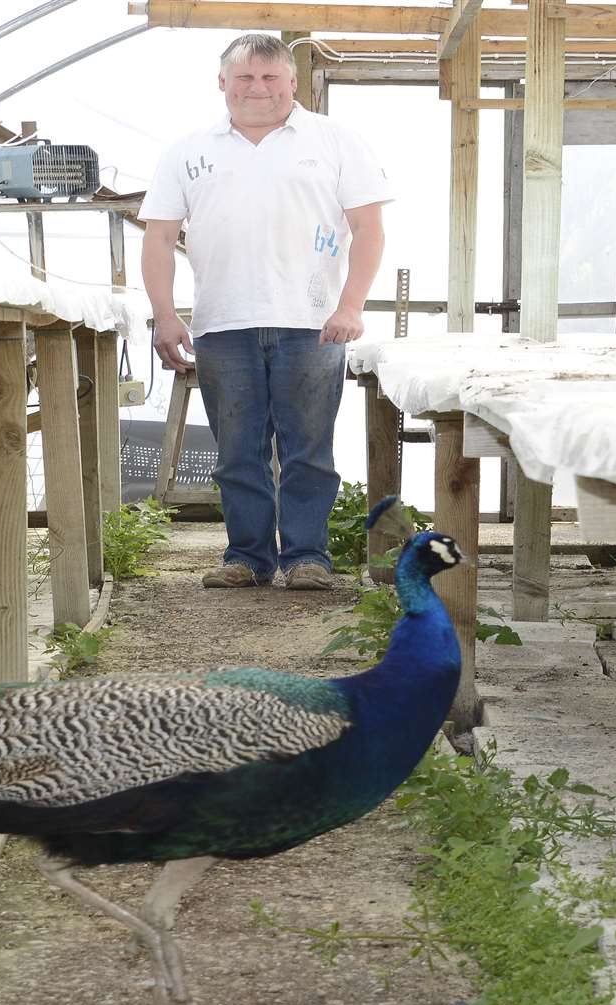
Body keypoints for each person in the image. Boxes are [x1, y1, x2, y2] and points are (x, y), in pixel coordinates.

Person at [138, 33, 391, 591]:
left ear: (292, 82)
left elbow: (369, 229)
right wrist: (166, 314)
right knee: (237, 452)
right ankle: (247, 558)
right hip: (222, 322)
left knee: (308, 448)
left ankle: (307, 557)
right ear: (222, 83)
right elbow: (158, 240)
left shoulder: (335, 141)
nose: (258, 88)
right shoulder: (186, 150)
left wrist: (351, 305)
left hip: (313, 322)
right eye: (245, 77)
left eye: (270, 77)